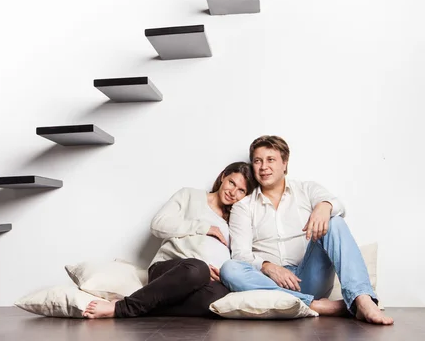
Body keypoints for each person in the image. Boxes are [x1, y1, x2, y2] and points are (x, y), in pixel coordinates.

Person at [220, 135, 393, 325]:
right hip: (269, 284)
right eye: (257, 161)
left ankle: (362, 299)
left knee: (334, 222)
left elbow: (339, 206)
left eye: (271, 160)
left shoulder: (306, 189)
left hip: (310, 277)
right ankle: (317, 306)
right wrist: (268, 267)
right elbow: (240, 255)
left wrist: (324, 206)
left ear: (285, 163)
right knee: (230, 268)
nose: (263, 167)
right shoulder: (243, 207)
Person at [83, 161, 257, 319]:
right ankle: (123, 308)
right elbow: (158, 224)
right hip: (171, 269)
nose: (233, 192)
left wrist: (221, 272)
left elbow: (237, 253)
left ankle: (146, 305)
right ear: (223, 177)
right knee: (197, 268)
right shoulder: (190, 195)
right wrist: (204, 228)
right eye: (231, 183)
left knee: (218, 296)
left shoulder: (234, 219)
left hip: (205, 280)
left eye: (241, 190)